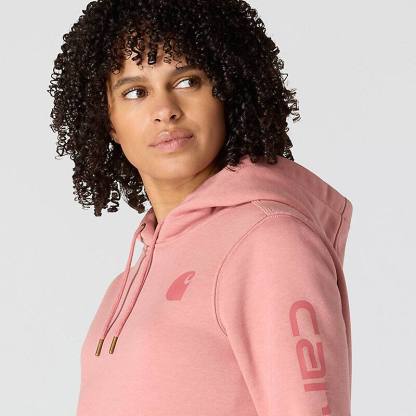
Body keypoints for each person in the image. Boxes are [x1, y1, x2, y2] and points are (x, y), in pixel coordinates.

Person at [47, 1, 353, 415]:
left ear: (226, 90)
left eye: (187, 81)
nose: (165, 110)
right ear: (109, 121)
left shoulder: (271, 242)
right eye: (135, 92)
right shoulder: (125, 285)